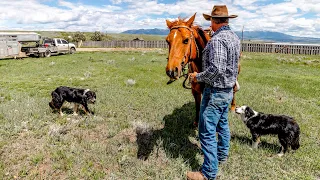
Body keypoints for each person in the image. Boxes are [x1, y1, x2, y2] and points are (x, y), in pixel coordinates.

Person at [186, 5, 240, 180]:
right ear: (227, 20)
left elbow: (216, 69)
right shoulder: (234, 37)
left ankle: (208, 173)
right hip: (227, 91)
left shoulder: (217, 40)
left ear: (213, 21)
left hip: (215, 91)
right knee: (222, 124)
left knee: (207, 129)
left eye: (210, 20)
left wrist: (197, 76)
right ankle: (222, 155)